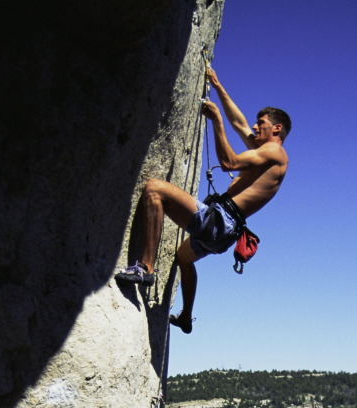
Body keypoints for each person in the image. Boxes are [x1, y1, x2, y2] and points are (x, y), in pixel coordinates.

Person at [115, 68, 290, 334]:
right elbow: (239, 123)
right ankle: (186, 316)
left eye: (261, 123)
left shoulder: (275, 152)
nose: (255, 127)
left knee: (154, 189)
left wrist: (216, 120)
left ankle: (145, 268)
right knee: (184, 258)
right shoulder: (266, 153)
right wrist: (218, 86)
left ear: (276, 128)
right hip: (225, 232)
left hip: (221, 220)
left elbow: (229, 161)